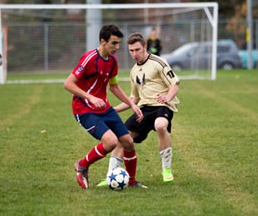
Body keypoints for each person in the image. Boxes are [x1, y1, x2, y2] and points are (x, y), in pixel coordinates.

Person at [64, 24, 146, 189]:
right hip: (84, 109)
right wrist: (90, 97)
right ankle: (82, 165)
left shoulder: (112, 61)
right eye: (113, 43)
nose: (117, 47)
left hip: (104, 108)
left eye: (118, 44)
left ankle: (131, 181)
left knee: (128, 141)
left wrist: (131, 104)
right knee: (110, 141)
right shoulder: (89, 58)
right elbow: (68, 84)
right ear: (102, 41)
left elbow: (114, 87)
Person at [98, 32, 180, 186]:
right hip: (143, 109)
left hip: (162, 105)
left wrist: (167, 98)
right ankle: (110, 175)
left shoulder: (159, 62)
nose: (134, 54)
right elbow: (134, 99)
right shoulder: (134, 71)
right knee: (123, 137)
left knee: (160, 126)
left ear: (145, 47)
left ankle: (166, 169)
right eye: (131, 51)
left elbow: (175, 84)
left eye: (137, 50)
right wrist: (113, 110)